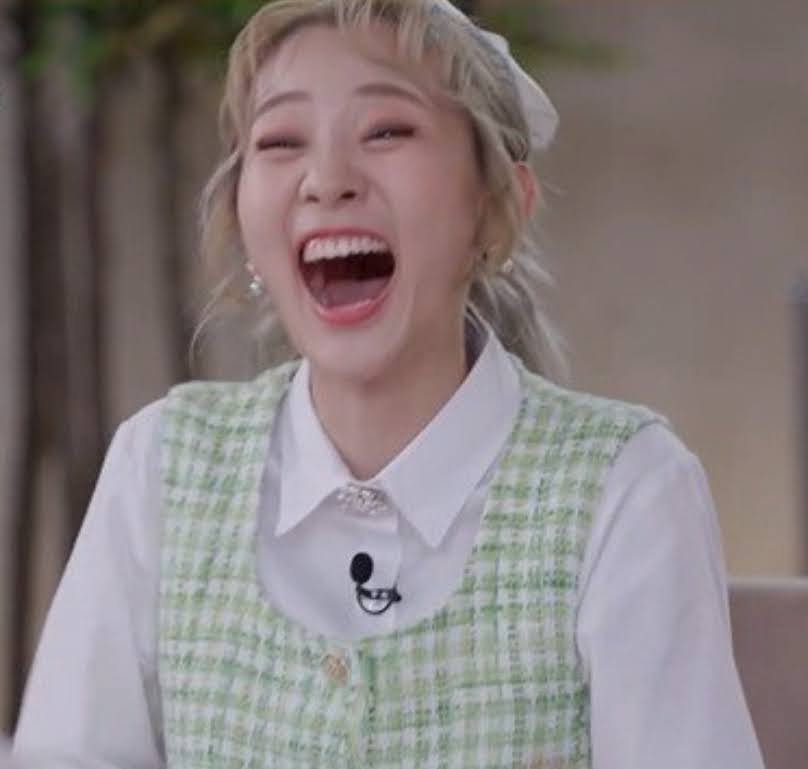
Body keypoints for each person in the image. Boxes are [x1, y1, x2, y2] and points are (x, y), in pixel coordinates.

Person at [13, 1, 765, 768]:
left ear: (496, 209)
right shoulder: (162, 467)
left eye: (386, 131)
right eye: (280, 141)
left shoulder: (625, 488)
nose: (326, 180)